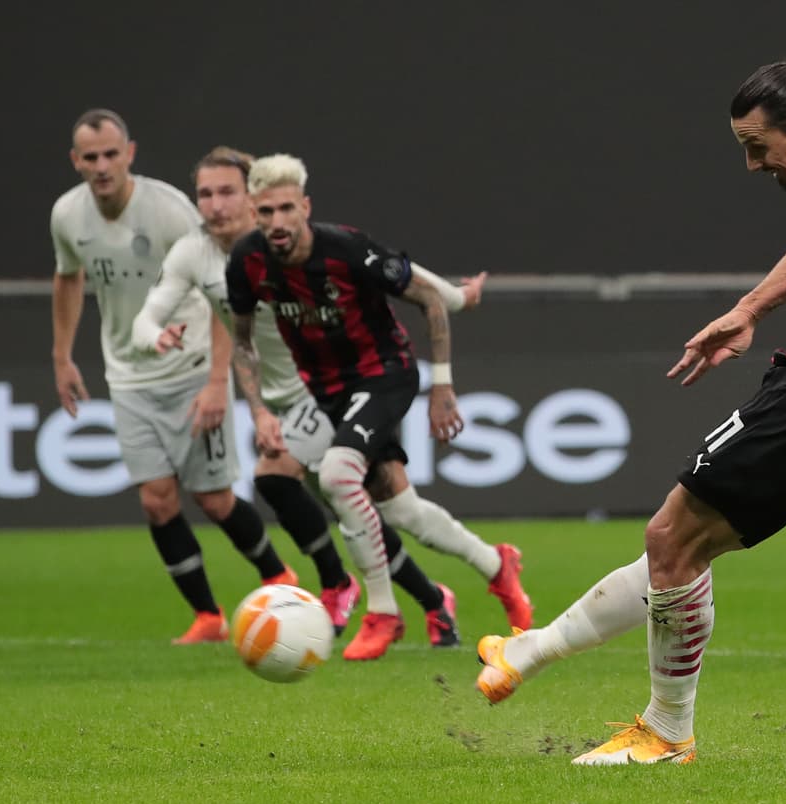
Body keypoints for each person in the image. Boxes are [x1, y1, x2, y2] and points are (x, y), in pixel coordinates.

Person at [475, 40, 786, 765]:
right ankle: (530, 652)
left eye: (759, 146)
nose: (754, 165)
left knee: (671, 537)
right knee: (679, 547)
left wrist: (747, 309)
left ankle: (666, 732)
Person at [130, 147, 485, 645]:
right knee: (361, 505)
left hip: (324, 387)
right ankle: (432, 599)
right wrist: (156, 339)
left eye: (227, 192)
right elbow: (194, 322)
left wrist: (457, 297)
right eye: (205, 194)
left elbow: (397, 273)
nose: (215, 205)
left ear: (254, 199)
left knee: (287, 480)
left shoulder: (296, 244)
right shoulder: (199, 255)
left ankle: (342, 585)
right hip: (280, 395)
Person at [226, 154, 530, 660]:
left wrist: (443, 384)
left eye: (286, 209)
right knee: (396, 505)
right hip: (325, 392)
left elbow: (427, 297)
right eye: (266, 212)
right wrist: (258, 410)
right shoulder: (247, 260)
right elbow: (241, 342)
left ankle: (383, 611)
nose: (277, 222)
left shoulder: (347, 249)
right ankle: (496, 565)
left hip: (384, 374)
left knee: (337, 476)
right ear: (254, 213)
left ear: (305, 207)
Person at [50, 110, 297, 645]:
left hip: (191, 369)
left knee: (214, 500)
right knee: (156, 501)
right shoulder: (67, 215)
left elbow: (222, 292)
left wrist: (216, 382)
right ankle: (208, 617)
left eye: (110, 154)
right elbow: (68, 278)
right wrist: (62, 356)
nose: (101, 166)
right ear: (75, 161)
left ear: (130, 153)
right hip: (127, 377)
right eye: (90, 157)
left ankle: (279, 577)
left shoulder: (168, 211)